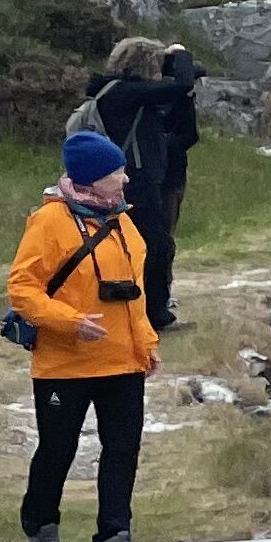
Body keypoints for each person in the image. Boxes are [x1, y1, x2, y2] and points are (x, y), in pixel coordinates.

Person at [7, 132, 169, 542]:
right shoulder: (48, 222)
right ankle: (41, 531)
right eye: (117, 171)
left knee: (123, 449)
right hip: (64, 364)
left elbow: (134, 294)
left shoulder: (123, 221)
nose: (126, 178)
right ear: (93, 179)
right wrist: (69, 321)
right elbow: (22, 289)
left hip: (122, 361)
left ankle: (114, 540)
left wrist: (146, 344)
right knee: (57, 448)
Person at [85, 36, 205, 333]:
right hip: (136, 183)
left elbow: (182, 104)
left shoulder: (114, 91)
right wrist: (180, 53)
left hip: (128, 179)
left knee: (137, 245)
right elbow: (180, 84)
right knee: (156, 245)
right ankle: (155, 315)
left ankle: (135, 308)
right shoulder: (126, 92)